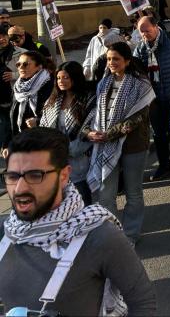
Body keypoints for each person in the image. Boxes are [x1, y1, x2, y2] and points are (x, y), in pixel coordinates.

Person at [0, 129, 156, 315]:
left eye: (35, 176)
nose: (19, 188)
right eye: (12, 176)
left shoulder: (99, 235)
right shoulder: (5, 232)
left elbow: (143, 303)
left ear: (64, 176)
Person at [84, 42, 156, 244]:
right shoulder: (103, 84)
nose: (111, 63)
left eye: (116, 59)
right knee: (106, 193)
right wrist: (92, 133)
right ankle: (114, 234)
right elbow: (97, 113)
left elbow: (137, 118)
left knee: (133, 192)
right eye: (108, 59)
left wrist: (109, 134)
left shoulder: (141, 85)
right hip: (106, 146)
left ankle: (131, 234)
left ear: (127, 61)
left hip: (133, 146)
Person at [133, 15, 170, 180]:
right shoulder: (140, 49)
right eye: (141, 32)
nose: (145, 34)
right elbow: (136, 69)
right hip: (154, 99)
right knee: (159, 134)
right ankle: (164, 166)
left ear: (156, 26)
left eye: (147, 30)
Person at [38, 61, 95, 205]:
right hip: (56, 159)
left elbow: (90, 128)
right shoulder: (52, 100)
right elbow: (44, 127)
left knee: (83, 201)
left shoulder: (88, 99)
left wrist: (69, 149)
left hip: (79, 159)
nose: (61, 81)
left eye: (66, 78)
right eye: (58, 78)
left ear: (75, 78)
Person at [8, 51, 54, 152]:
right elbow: (12, 115)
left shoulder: (50, 85)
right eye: (18, 64)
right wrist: (6, 144)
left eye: (25, 64)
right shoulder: (18, 87)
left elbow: (56, 115)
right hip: (20, 141)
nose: (21, 67)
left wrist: (38, 121)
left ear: (39, 67)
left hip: (41, 142)